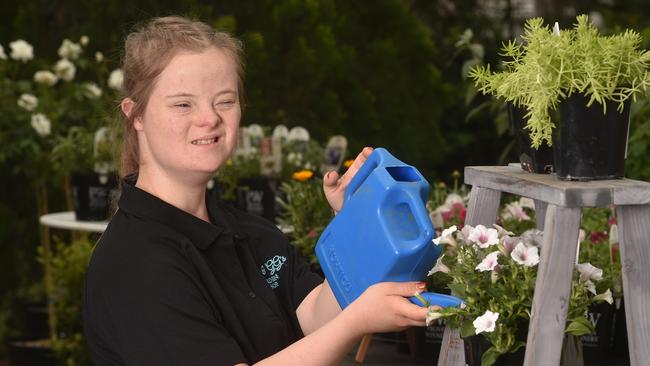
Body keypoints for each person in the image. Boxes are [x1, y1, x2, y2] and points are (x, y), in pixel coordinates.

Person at [83, 16, 433, 366]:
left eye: (224, 101)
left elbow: (313, 316)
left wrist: (358, 225)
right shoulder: (135, 265)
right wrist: (355, 322)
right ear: (136, 115)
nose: (210, 118)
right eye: (183, 104)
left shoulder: (247, 231)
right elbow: (339, 325)